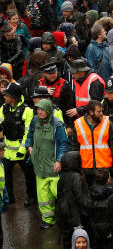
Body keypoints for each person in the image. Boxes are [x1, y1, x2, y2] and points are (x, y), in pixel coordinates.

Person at [24, 96, 69, 227]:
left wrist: (59, 161)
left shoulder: (57, 124)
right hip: (39, 167)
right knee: (43, 197)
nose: (40, 112)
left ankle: (67, 217)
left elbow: (63, 144)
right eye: (38, 109)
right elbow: (29, 136)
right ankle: (48, 220)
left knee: (59, 194)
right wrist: (29, 146)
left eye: (42, 109)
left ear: (48, 110)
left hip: (53, 167)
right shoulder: (34, 121)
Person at [1, 82, 36, 207]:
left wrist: (23, 149)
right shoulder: (3, 108)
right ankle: (10, 197)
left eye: (7, 95)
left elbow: (28, 132)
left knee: (29, 175)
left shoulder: (27, 110)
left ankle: (31, 197)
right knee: (6, 175)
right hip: (9, 150)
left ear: (14, 98)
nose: (4, 97)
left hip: (23, 150)